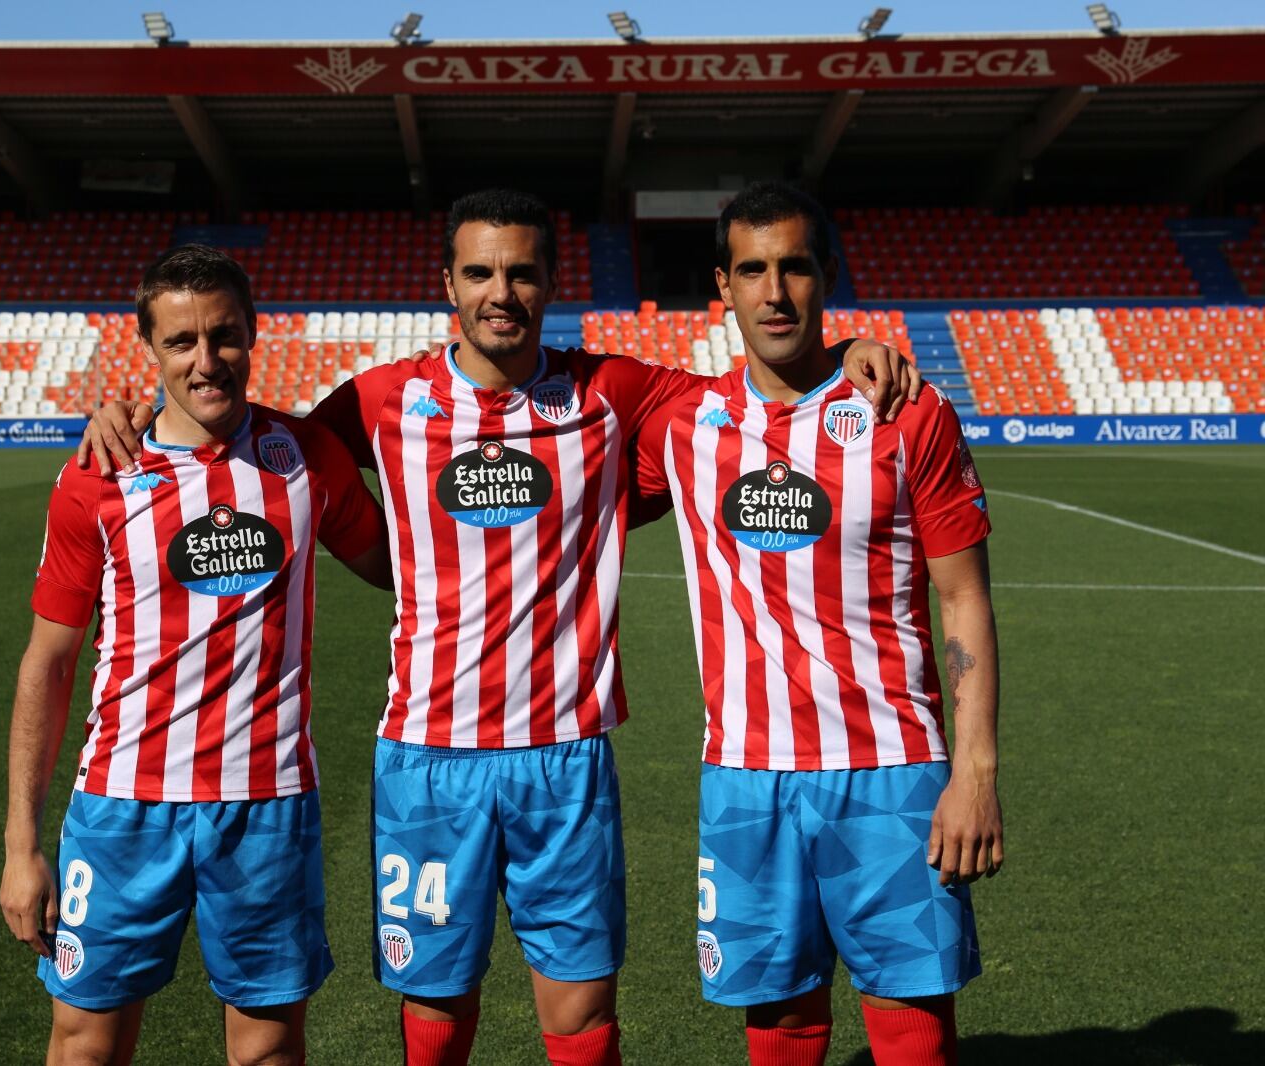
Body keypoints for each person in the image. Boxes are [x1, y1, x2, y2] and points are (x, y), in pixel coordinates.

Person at [80, 189, 921, 1066]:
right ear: (448, 282)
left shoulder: (611, 392)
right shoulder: (380, 402)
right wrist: (131, 415)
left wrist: (847, 351)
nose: (501, 292)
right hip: (429, 757)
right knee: (436, 1008)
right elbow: (247, 442)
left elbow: (758, 391)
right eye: (479, 271)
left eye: (521, 272)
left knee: (582, 1013)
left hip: (566, 754)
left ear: (553, 282)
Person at [632, 181, 1003, 1066]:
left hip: (894, 772)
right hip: (746, 776)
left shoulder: (908, 414)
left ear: (825, 275)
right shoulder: (685, 425)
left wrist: (976, 771)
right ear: (722, 285)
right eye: (752, 270)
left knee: (912, 1020)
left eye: (794, 266)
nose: (775, 291)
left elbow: (965, 599)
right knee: (780, 1020)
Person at [0, 244, 390, 1066]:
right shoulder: (97, 476)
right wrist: (21, 846)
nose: (206, 361)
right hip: (121, 806)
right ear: (150, 350)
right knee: (85, 1045)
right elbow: (49, 663)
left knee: (267, 1052)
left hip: (266, 805)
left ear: (253, 335)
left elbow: (403, 565)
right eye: (181, 342)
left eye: (224, 336)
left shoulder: (304, 458)